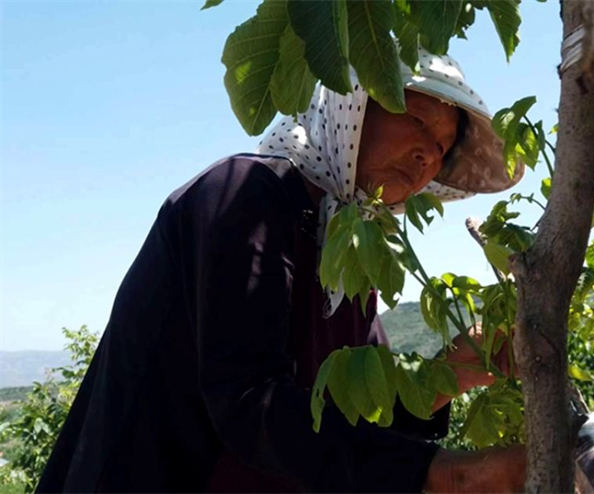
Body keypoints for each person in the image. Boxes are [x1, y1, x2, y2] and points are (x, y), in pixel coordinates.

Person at [36, 48, 526, 494]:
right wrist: (452, 474)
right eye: (418, 120)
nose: (428, 156)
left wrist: (457, 370)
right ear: (352, 107)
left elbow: (360, 413)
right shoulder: (246, 195)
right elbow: (252, 405)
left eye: (442, 147)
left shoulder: (349, 253)